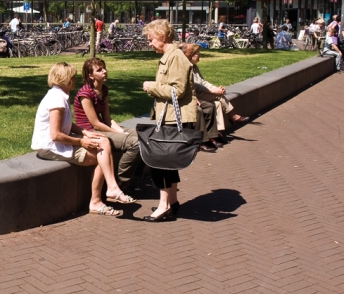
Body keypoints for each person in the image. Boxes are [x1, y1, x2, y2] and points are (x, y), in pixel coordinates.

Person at [31, 62, 129, 217]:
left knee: (103, 140)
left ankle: (111, 188)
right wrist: (81, 141)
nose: (76, 79)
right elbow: (55, 135)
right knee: (102, 157)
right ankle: (97, 201)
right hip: (50, 147)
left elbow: (67, 124)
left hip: (58, 142)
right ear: (65, 79)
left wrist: (84, 132)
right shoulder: (57, 100)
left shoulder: (60, 95)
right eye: (73, 77)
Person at [141, 19, 197, 222]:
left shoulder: (175, 58)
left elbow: (177, 90)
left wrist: (151, 86)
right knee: (168, 162)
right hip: (172, 116)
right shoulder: (171, 56)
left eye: (151, 39)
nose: (149, 43)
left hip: (174, 118)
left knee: (160, 162)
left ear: (162, 37)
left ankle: (164, 206)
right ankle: (172, 201)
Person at [73, 58, 141, 193]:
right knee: (135, 143)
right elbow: (96, 124)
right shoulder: (85, 94)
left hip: (101, 127)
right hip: (90, 132)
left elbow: (107, 118)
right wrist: (119, 134)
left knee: (141, 135)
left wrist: (121, 131)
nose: (104, 71)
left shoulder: (103, 89)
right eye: (99, 70)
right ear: (91, 76)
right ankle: (121, 182)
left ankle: (136, 175)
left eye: (104, 68)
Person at [181, 44, 249, 136]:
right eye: (197, 53)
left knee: (217, 104)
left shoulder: (195, 67)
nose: (200, 55)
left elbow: (203, 82)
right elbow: (194, 86)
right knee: (218, 96)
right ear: (190, 55)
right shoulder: (186, 67)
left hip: (201, 92)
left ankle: (217, 133)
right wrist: (213, 91)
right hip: (193, 94)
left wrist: (216, 88)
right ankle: (233, 116)